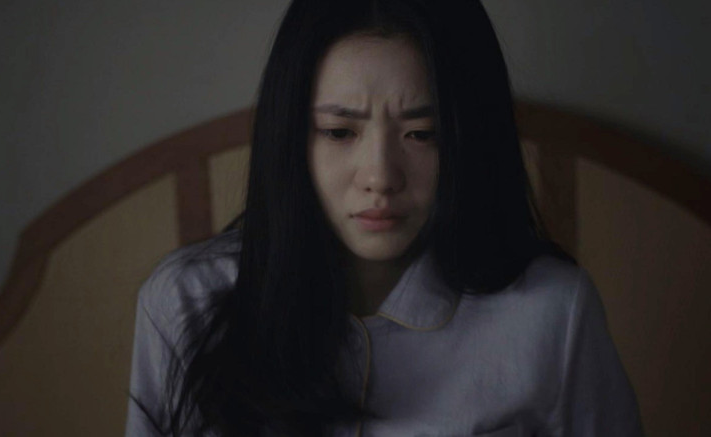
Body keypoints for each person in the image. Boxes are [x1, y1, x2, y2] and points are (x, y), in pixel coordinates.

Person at [126, 0, 644, 436]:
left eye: (422, 134)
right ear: (290, 138)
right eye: (339, 132)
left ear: (468, 138)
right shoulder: (185, 300)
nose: (380, 177)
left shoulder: (552, 312)